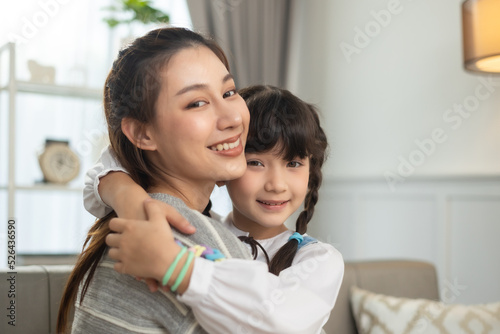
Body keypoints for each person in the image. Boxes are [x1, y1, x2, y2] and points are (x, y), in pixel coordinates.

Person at [85, 83, 344, 334]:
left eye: (294, 164)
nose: (277, 185)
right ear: (226, 161)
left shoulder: (318, 259)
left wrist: (177, 268)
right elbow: (111, 161)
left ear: (312, 171)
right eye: (255, 162)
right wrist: (126, 194)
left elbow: (280, 320)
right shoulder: (197, 226)